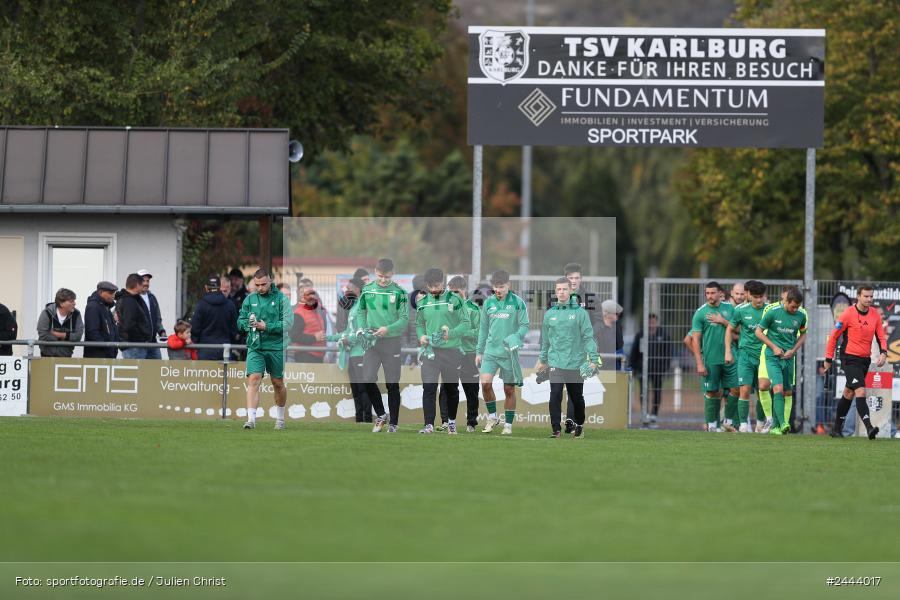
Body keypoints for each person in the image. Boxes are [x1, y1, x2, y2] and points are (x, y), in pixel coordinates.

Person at [535, 277, 600, 438]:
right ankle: (555, 429)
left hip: (576, 363)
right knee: (555, 393)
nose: (562, 292)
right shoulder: (550, 314)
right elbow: (546, 341)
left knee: (576, 397)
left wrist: (593, 359)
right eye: (559, 290)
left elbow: (588, 337)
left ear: (570, 291)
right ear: (555, 292)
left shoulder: (580, 313)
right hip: (556, 362)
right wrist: (543, 360)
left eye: (564, 289)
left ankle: (579, 425)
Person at [824, 285, 888, 440]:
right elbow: (833, 336)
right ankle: (869, 428)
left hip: (864, 360)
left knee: (848, 392)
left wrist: (884, 353)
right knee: (860, 391)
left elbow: (880, 337)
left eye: (871, 296)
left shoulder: (874, 315)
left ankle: (837, 430)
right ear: (858, 296)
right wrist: (828, 359)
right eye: (866, 296)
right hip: (849, 358)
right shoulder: (848, 314)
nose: (869, 299)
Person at [237, 269, 294, 430]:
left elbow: (288, 324)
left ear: (270, 281)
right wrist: (247, 323)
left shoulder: (282, 299)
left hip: (276, 347)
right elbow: (239, 322)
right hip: (255, 346)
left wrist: (266, 326)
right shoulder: (250, 299)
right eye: (257, 285)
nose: (260, 288)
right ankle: (251, 420)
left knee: (277, 382)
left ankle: (280, 419)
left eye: (263, 284)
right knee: (254, 379)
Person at [415, 267, 470, 434]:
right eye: (431, 287)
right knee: (429, 387)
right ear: (427, 285)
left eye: (437, 285)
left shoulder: (455, 299)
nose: (434, 290)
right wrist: (421, 336)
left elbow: (466, 323)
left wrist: (450, 334)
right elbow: (419, 324)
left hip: (451, 351)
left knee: (451, 389)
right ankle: (429, 425)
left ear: (444, 283)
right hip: (430, 352)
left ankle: (451, 422)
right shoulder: (422, 302)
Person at [355, 258, 406, 433]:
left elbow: (404, 319)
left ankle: (394, 424)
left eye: (387, 276)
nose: (383, 280)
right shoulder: (367, 290)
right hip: (372, 341)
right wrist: (361, 329)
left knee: (392, 384)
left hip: (391, 342)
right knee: (367, 379)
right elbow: (361, 311)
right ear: (375, 272)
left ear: (393, 273)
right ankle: (382, 415)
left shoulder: (400, 292)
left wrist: (388, 328)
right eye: (380, 276)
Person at [476, 269, 529, 435]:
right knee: (485, 384)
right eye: (495, 287)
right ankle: (492, 417)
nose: (498, 290)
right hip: (491, 352)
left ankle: (508, 425)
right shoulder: (488, 303)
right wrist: (479, 351)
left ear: (508, 285)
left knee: (509, 390)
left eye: (501, 286)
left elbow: (524, 325)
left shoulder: (518, 302)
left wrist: (516, 337)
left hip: (509, 353)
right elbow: (483, 329)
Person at [755, 287, 808, 436]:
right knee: (776, 388)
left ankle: (777, 427)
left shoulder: (801, 315)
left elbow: (804, 334)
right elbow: (758, 332)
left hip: (789, 358)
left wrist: (794, 350)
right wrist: (773, 346)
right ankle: (783, 422)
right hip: (772, 357)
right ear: (786, 301)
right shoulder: (772, 312)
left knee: (787, 391)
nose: (795, 309)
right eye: (792, 306)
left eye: (797, 307)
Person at [691, 281, 737, 432]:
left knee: (736, 389)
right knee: (712, 392)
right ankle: (712, 426)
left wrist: (723, 321)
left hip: (730, 357)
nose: (709, 296)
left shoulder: (730, 308)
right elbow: (695, 340)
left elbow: (739, 330)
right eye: (707, 293)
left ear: (720, 293)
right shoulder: (700, 312)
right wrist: (699, 363)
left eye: (712, 293)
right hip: (711, 359)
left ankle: (728, 423)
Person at [725, 280, 767, 432]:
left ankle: (761, 424)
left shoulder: (769, 311)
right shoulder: (741, 310)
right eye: (755, 296)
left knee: (763, 390)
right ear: (748, 295)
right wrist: (728, 351)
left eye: (761, 296)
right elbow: (729, 329)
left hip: (763, 357)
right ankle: (743, 425)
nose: (758, 300)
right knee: (744, 390)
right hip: (745, 356)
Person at [441, 276, 481, 433]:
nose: (454, 295)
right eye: (451, 292)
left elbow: (478, 332)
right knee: (446, 388)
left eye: (456, 292)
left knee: (471, 389)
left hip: (468, 353)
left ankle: (471, 422)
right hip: (450, 351)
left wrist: (458, 333)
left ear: (464, 291)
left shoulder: (474, 309)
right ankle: (446, 421)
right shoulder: (445, 308)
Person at [335, 276, 372, 422]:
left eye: (349, 288)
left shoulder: (364, 306)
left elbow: (362, 331)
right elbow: (349, 331)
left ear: (357, 289)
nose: (346, 291)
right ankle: (359, 419)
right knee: (356, 389)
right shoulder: (353, 306)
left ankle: (367, 419)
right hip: (352, 353)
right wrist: (331, 337)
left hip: (362, 353)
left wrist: (347, 339)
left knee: (363, 388)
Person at [630, 313, 670, 428]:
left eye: (653, 322)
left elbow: (667, 353)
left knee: (657, 391)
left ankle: (654, 415)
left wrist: (665, 367)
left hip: (658, 369)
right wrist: (633, 366)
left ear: (656, 322)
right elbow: (634, 351)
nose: (651, 324)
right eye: (649, 322)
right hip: (643, 369)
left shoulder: (663, 335)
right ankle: (645, 414)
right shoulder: (641, 334)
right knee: (643, 392)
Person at [191, 275, 238, 361]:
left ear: (206, 288)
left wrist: (196, 343)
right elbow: (234, 329)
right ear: (220, 287)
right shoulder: (230, 305)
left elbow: (195, 328)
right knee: (224, 374)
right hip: (225, 349)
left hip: (205, 349)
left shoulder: (201, 305)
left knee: (206, 374)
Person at [36, 288, 84, 357]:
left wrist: (58, 334)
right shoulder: (46, 313)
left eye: (74, 301)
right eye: (71, 301)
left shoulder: (76, 314)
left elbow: (78, 336)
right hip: (46, 357)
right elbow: (43, 335)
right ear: (61, 304)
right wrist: (67, 337)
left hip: (66, 357)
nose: (74, 303)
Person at [117, 273, 155, 359]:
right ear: (137, 285)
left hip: (134, 345)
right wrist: (142, 338)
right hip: (134, 346)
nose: (143, 286)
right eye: (142, 284)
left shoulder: (131, 299)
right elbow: (129, 325)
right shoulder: (129, 301)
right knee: (136, 372)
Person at [289, 284, 327, 363]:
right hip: (306, 356)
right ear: (302, 297)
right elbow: (294, 336)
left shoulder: (315, 311)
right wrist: (314, 338)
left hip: (318, 355)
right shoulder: (298, 314)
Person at [83, 281, 119, 359]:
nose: (113, 296)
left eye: (114, 293)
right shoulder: (93, 307)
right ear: (101, 292)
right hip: (97, 356)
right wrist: (107, 346)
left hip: (106, 354)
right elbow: (92, 332)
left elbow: (109, 330)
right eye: (110, 293)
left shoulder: (105, 307)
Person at [136, 269, 164, 359]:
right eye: (143, 280)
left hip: (153, 341)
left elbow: (157, 317)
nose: (146, 283)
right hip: (138, 344)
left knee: (157, 369)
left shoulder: (152, 297)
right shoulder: (132, 298)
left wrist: (161, 331)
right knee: (140, 370)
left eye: (147, 281)